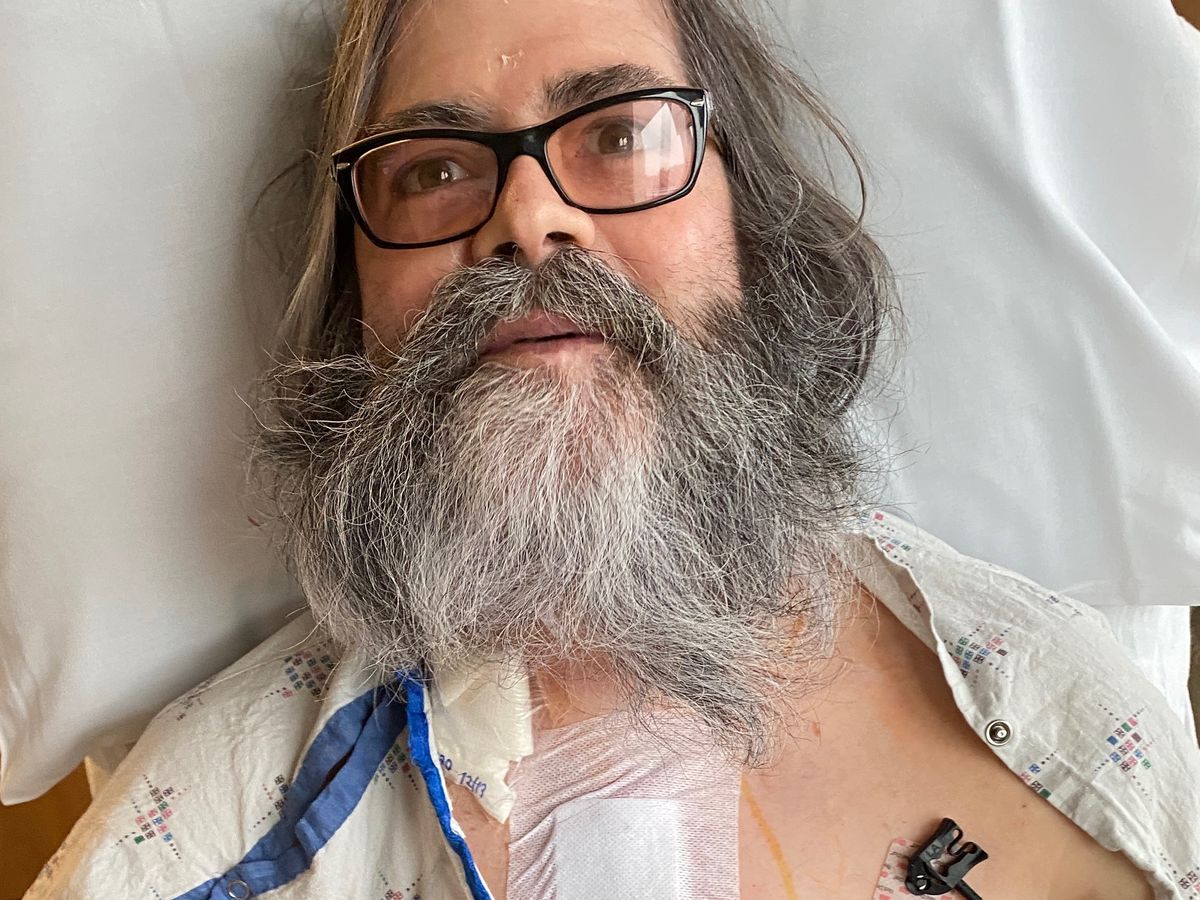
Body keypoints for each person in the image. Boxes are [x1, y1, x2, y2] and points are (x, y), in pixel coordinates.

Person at [28, 0, 1200, 897]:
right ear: (358, 306)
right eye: (432, 167)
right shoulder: (215, 835)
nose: (528, 215)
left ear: (750, 227)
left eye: (621, 132)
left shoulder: (1058, 699)